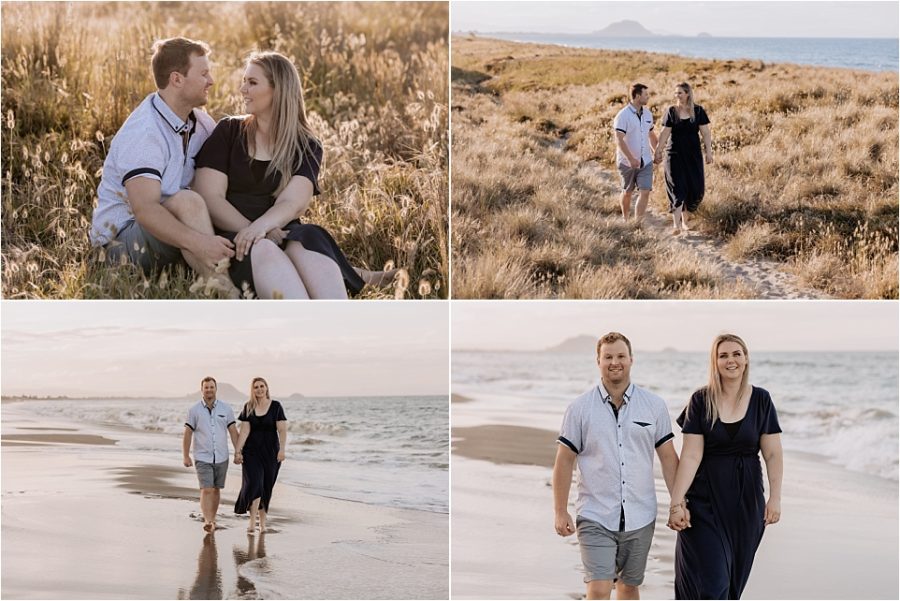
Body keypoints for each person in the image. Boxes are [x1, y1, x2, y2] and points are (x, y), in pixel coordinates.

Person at [193, 51, 390, 299]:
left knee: (309, 237)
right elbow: (210, 198)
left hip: (282, 230)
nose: (243, 89)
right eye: (244, 81)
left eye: (252, 82)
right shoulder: (229, 131)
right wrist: (256, 231)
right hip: (237, 238)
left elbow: (292, 202)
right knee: (264, 248)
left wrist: (264, 226)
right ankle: (352, 280)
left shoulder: (306, 145)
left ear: (278, 90)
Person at [90, 37, 237, 296]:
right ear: (177, 79)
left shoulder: (201, 124)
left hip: (173, 231)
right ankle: (225, 294)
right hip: (120, 243)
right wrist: (201, 243)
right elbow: (145, 210)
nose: (211, 81)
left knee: (201, 200)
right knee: (187, 202)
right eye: (203, 73)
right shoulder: (145, 131)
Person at [553, 332, 680, 600]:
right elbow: (564, 460)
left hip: (641, 514)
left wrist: (678, 503)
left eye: (621, 356)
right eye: (608, 357)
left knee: (628, 587)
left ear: (631, 359)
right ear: (598, 361)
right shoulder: (579, 409)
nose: (615, 362)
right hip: (595, 514)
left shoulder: (654, 406)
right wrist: (560, 511)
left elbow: (668, 457)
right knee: (599, 589)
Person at [667, 334, 783, 600]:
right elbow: (691, 456)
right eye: (723, 355)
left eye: (736, 354)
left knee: (731, 586)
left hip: (746, 505)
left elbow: (773, 454)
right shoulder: (701, 400)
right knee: (712, 585)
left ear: (745, 359)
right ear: (715, 362)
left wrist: (774, 498)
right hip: (704, 503)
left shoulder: (762, 400)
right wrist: (676, 503)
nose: (730, 360)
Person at [653, 83, 713, 235]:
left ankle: (685, 222)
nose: (677, 95)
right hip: (674, 155)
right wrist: (658, 150)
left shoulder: (698, 111)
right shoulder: (671, 111)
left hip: (693, 156)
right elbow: (665, 133)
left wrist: (709, 152)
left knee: (695, 188)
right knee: (677, 188)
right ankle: (676, 225)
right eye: (675, 93)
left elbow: (705, 133)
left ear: (687, 94)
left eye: (679, 92)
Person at [183, 376, 239, 532]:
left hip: (222, 456)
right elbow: (187, 433)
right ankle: (207, 520)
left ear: (216, 389)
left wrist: (238, 452)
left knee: (216, 489)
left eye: (211, 387)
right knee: (206, 489)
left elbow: (233, 432)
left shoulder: (226, 409)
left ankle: (213, 519)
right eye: (206, 387)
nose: (209, 390)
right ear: (202, 390)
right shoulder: (194, 410)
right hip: (202, 456)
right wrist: (186, 455)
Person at [234, 377, 288, 533]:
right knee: (255, 485)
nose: (259, 389)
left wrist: (282, 449)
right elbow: (244, 431)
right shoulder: (248, 407)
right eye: (256, 387)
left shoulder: (276, 406)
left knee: (266, 488)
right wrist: (238, 451)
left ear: (266, 388)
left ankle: (263, 523)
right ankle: (252, 522)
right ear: (253, 390)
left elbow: (282, 430)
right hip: (251, 453)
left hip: (271, 452)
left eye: (262, 386)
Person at [613, 84, 659, 224]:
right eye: (646, 95)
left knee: (645, 191)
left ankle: (637, 222)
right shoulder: (623, 115)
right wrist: (631, 158)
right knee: (627, 192)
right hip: (627, 163)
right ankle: (626, 219)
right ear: (638, 96)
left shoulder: (648, 114)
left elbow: (651, 135)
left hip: (646, 161)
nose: (648, 97)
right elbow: (619, 140)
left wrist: (656, 152)